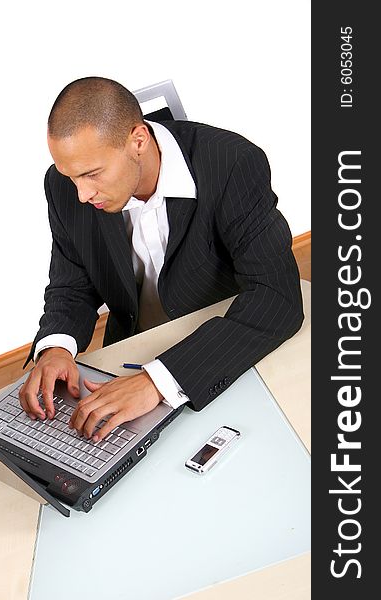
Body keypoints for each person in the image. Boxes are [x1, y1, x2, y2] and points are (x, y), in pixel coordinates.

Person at [19, 76, 303, 443]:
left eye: (91, 174)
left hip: (222, 346)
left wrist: (158, 381)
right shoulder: (64, 187)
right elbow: (72, 284)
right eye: (70, 176)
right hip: (130, 352)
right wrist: (56, 347)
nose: (82, 194)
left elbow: (276, 299)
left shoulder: (232, 163)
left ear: (138, 140)